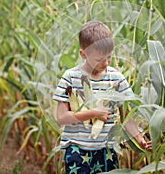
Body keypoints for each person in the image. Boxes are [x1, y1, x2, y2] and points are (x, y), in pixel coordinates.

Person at [53, 20, 151, 174]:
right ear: (83, 54)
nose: (105, 63)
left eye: (109, 57)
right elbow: (61, 117)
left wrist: (139, 139)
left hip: (106, 151)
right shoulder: (70, 78)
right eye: (99, 59)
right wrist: (94, 113)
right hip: (77, 150)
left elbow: (127, 117)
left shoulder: (116, 79)